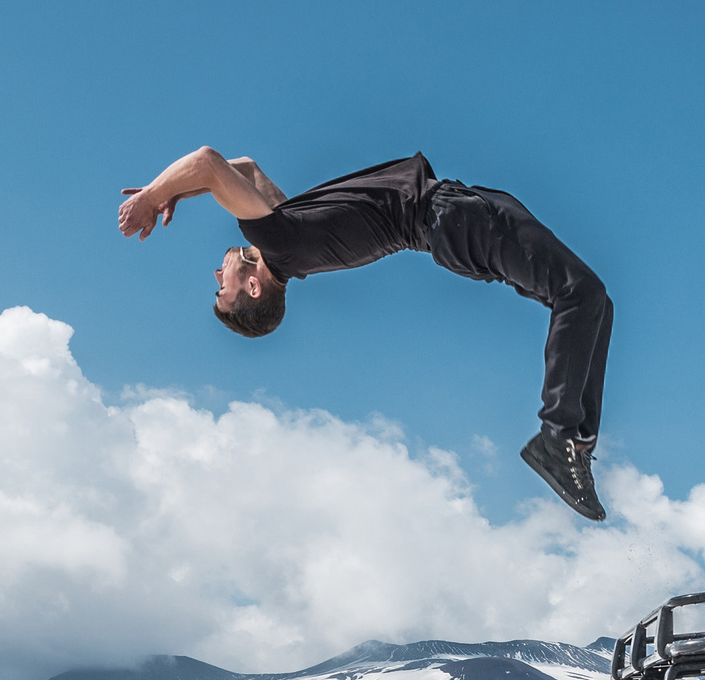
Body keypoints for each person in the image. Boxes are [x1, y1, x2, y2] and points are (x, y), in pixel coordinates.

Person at [116, 148, 613, 521]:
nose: (215, 276)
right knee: (578, 294)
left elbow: (238, 168)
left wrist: (174, 188)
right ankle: (560, 439)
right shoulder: (281, 243)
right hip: (453, 220)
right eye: (222, 291)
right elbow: (206, 161)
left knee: (591, 299)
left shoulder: (289, 233)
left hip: (457, 219)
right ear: (251, 285)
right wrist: (154, 195)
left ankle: (575, 442)